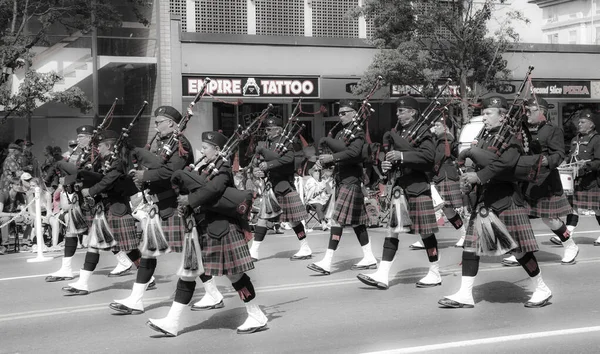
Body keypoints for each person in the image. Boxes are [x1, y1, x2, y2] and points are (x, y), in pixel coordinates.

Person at [147, 131, 267, 336]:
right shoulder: (206, 167)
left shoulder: (224, 170)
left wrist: (190, 199)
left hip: (221, 228)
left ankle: (256, 314)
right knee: (188, 273)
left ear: (217, 150)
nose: (201, 151)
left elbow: (212, 190)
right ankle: (172, 321)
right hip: (203, 227)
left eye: (205, 147)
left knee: (235, 275)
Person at [438, 96, 552, 309]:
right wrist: (469, 182)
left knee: (519, 251)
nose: (484, 117)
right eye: (484, 113)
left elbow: (505, 165)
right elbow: (479, 166)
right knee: (470, 248)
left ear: (502, 116)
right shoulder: (485, 136)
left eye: (489, 113)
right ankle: (464, 294)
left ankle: (542, 288)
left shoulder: (513, 136)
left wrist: (478, 173)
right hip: (485, 200)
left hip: (506, 200)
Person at [109, 106, 193, 314]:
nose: (156, 126)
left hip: (175, 207)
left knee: (192, 254)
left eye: (159, 122)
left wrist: (144, 176)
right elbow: (156, 167)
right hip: (159, 207)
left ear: (171, 123)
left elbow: (170, 172)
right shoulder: (162, 143)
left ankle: (213, 292)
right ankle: (136, 299)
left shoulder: (181, 143)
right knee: (148, 254)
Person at [357, 97, 442, 289]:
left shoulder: (423, 131)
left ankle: (435, 272)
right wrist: (388, 164)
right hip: (400, 186)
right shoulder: (398, 132)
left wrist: (402, 155)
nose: (398, 114)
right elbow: (395, 158)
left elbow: (429, 157)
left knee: (426, 232)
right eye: (397, 111)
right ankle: (383, 274)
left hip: (418, 186)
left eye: (402, 111)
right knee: (392, 230)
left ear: (413, 112)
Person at [61, 130, 140, 296]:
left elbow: (107, 181)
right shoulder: (105, 160)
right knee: (94, 244)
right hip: (104, 207)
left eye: (100, 145)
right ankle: (83, 283)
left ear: (109, 146)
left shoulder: (118, 162)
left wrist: (90, 191)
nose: (98, 148)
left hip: (117, 208)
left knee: (130, 249)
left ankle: (147, 276)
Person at [502, 97, 577, 266]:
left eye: (530, 111)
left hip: (545, 181)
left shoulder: (552, 130)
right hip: (523, 181)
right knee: (518, 217)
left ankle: (570, 245)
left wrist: (546, 161)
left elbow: (559, 154)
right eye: (525, 111)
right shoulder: (520, 129)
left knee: (550, 219)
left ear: (541, 111)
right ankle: (519, 251)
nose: (526, 114)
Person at [307, 99, 377, 275]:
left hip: (351, 181)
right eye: (339, 113)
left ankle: (327, 262)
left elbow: (353, 153)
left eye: (345, 112)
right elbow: (340, 154)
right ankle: (369, 257)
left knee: (337, 220)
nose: (341, 115)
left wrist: (332, 158)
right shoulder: (342, 134)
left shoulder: (358, 132)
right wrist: (325, 163)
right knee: (357, 223)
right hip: (342, 180)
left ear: (354, 113)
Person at [249, 115, 312, 261]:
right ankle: (254, 252)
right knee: (262, 219)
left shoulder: (287, 143)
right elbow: (260, 163)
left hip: (284, 185)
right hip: (271, 186)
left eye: (270, 129)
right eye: (266, 129)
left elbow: (288, 159)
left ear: (278, 130)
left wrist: (268, 165)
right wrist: (258, 170)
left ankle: (305, 247)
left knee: (294, 220)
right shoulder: (267, 145)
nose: (267, 132)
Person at [561, 109, 600, 246]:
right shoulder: (575, 139)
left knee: (597, 208)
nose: (579, 124)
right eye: (579, 122)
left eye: (583, 122)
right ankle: (567, 232)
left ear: (591, 125)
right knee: (573, 207)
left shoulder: (597, 140)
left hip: (592, 180)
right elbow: (571, 156)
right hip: (575, 179)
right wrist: (564, 163)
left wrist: (585, 166)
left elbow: (598, 161)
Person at [0, 177, 28, 254]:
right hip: (4, 218)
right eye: (16, 185)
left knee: (30, 218)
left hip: (13, 218)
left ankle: (25, 243)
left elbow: (23, 210)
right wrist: (12, 214)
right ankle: (5, 246)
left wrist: (25, 215)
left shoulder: (19, 195)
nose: (19, 186)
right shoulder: (3, 194)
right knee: (6, 218)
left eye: (20, 185)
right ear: (11, 185)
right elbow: (0, 213)